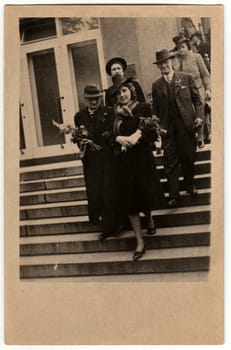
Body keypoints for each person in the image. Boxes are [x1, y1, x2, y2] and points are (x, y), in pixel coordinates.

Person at [111, 75, 166, 260]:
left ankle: (149, 218)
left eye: (124, 91)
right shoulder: (114, 113)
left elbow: (152, 133)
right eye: (119, 93)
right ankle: (139, 241)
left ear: (131, 91)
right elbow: (106, 135)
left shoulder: (143, 108)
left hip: (142, 159)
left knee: (144, 193)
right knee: (131, 201)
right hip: (124, 163)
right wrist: (116, 138)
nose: (122, 95)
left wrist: (137, 137)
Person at [152, 49, 203, 208]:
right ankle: (174, 195)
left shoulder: (186, 78)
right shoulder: (156, 85)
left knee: (188, 157)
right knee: (170, 161)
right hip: (167, 129)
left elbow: (198, 100)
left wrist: (199, 116)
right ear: (159, 67)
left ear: (172, 62)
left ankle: (190, 185)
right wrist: (157, 125)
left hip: (185, 125)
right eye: (161, 64)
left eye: (166, 62)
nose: (164, 66)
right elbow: (155, 109)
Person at [73, 84, 117, 237]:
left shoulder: (108, 112)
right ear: (85, 99)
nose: (94, 102)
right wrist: (82, 142)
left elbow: (114, 131)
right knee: (95, 191)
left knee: (108, 190)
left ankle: (111, 226)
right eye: (91, 99)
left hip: (106, 158)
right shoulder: (79, 117)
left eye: (97, 98)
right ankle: (101, 222)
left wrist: (105, 138)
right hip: (91, 161)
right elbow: (78, 137)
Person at [174, 36, 211, 148]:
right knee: (190, 112)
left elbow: (205, 74)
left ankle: (200, 138)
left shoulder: (196, 57)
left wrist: (208, 89)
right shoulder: (176, 60)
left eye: (183, 47)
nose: (181, 50)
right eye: (179, 48)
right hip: (186, 90)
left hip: (199, 87)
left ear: (187, 46)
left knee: (200, 110)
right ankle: (199, 135)